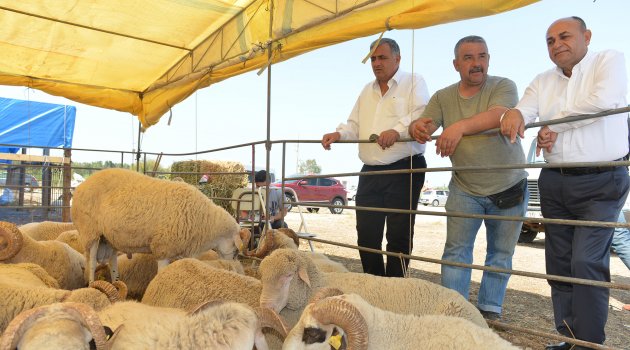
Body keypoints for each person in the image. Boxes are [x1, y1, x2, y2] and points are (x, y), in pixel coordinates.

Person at [500, 17, 629, 349]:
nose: (556, 44)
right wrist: (513, 114)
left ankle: (588, 343)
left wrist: (554, 125)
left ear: (586, 36)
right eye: (549, 40)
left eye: (564, 36)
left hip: (602, 180)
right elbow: (523, 109)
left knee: (585, 262)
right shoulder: (543, 80)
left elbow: (602, 102)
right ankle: (568, 338)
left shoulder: (609, 60)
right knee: (558, 264)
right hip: (555, 182)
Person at [408, 35, 527, 320]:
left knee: (500, 254)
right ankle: (455, 314)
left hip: (508, 184)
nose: (477, 64)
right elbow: (426, 123)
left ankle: (490, 311)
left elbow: (499, 115)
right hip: (464, 186)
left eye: (482, 56)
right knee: (456, 252)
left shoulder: (503, 85)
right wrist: (417, 127)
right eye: (469, 58)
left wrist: (458, 127)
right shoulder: (442, 97)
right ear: (455, 64)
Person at [321, 38, 429, 277]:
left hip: (405, 168)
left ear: (398, 59)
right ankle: (374, 285)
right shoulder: (366, 90)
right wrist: (339, 134)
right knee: (366, 234)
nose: (377, 63)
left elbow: (421, 114)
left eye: (382, 57)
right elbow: (354, 125)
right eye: (373, 59)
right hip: (370, 170)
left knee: (398, 235)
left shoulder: (414, 81)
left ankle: (395, 288)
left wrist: (397, 131)